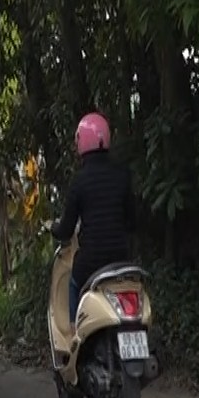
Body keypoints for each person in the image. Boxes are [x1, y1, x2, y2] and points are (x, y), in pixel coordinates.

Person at [50, 112, 135, 319]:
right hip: (121, 259)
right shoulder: (123, 176)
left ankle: (73, 331)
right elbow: (132, 220)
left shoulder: (80, 182)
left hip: (91, 262)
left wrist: (53, 227)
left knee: (72, 284)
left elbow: (66, 230)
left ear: (81, 142)